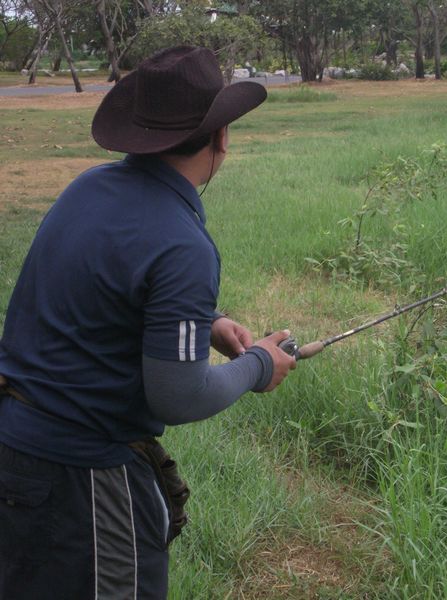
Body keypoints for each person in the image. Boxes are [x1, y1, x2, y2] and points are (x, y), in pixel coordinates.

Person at [0, 46, 296, 598]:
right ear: (222, 137)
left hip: (16, 452)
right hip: (85, 477)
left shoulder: (87, 188)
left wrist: (205, 321)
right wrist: (259, 365)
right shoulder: (183, 244)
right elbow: (178, 396)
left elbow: (103, 288)